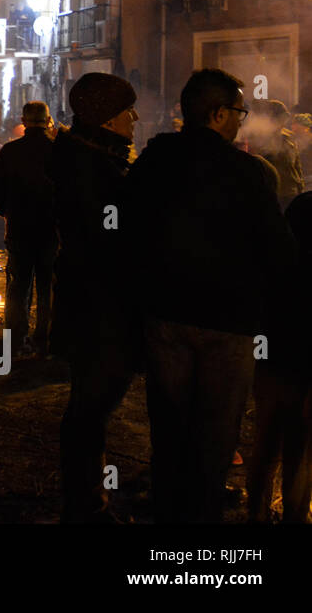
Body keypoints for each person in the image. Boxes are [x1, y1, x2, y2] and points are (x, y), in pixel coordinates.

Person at [125, 69, 296, 523]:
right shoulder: (248, 174)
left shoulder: (152, 162)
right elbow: (276, 248)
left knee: (170, 426)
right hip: (228, 323)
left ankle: (169, 511)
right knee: (217, 432)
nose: (241, 121)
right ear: (218, 113)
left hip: (165, 316)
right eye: (239, 111)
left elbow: (128, 231)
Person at [48, 73, 138, 522]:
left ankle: (86, 500)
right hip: (98, 305)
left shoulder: (88, 156)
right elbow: (110, 238)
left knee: (89, 405)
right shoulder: (92, 167)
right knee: (90, 407)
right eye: (127, 111)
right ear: (105, 117)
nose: (135, 118)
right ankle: (86, 505)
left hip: (91, 299)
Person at [247, 187, 312, 522]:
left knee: (267, 443)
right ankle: (296, 515)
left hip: (272, 363)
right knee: (299, 450)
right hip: (302, 369)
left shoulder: (276, 266)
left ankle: (255, 512)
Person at [0, 101, 58, 356]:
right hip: (51, 232)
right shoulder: (58, 152)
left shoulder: (10, 151)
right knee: (48, 286)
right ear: (48, 121)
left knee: (19, 286)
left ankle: (17, 340)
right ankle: (45, 339)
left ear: (24, 121)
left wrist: (6, 210)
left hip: (19, 230)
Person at [248, 99, 304, 210]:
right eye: (280, 117)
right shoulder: (260, 139)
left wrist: (300, 187)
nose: (283, 121)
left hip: (292, 194)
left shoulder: (289, 137)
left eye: (284, 118)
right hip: (275, 195)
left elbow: (297, 166)